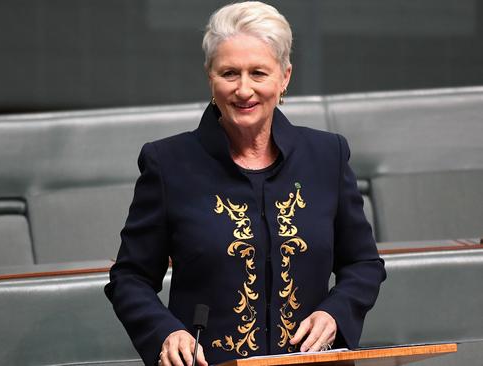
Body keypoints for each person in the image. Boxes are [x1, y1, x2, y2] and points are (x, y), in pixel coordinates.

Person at [104, 2, 386, 365]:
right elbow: (130, 277)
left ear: (284, 77)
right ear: (210, 77)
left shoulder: (327, 156)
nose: (244, 89)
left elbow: (363, 263)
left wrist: (335, 314)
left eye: (258, 73)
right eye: (229, 73)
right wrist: (166, 332)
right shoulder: (168, 163)